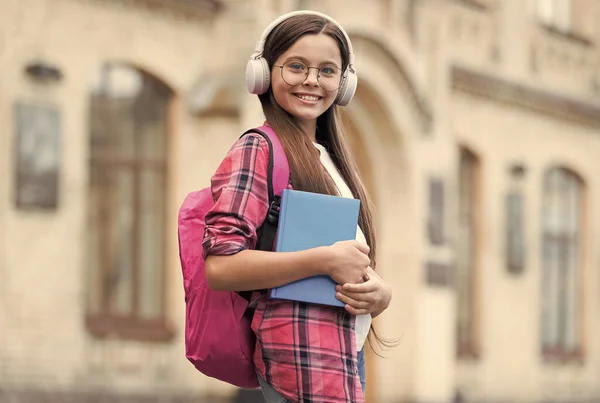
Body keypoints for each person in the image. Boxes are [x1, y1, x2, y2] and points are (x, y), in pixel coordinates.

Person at [202, 10, 393, 403]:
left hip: (341, 359)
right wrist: (323, 260)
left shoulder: (330, 160)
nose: (311, 80)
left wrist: (379, 295)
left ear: (343, 84)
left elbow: (346, 265)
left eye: (326, 70)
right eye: (296, 66)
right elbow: (221, 266)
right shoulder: (259, 148)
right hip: (300, 360)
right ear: (263, 72)